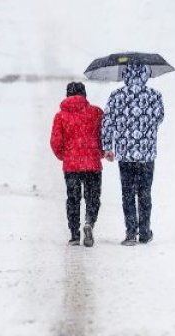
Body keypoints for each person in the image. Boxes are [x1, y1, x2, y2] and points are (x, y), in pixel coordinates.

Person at [101, 64, 165, 246]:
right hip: (146, 153)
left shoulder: (117, 96)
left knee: (127, 193)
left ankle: (130, 233)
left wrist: (108, 147)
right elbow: (160, 118)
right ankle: (144, 232)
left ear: (125, 75)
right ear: (145, 74)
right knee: (144, 193)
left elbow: (107, 122)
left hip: (125, 154)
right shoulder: (155, 95)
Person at [50, 82, 104, 247]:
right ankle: (89, 221)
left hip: (72, 165)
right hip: (92, 164)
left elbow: (55, 141)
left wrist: (64, 156)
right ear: (84, 95)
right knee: (92, 197)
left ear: (67, 95)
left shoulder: (60, 116)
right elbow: (105, 135)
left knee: (73, 199)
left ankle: (74, 235)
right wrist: (100, 152)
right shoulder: (96, 112)